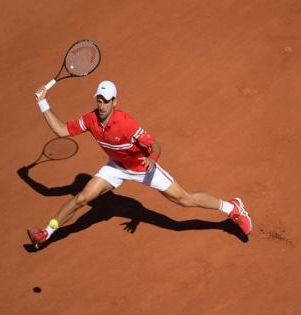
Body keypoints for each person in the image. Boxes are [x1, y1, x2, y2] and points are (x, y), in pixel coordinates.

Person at [27, 81, 252, 249]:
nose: (102, 104)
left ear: (115, 102)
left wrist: (152, 161)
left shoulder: (125, 123)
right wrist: (42, 102)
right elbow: (61, 131)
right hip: (116, 167)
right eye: (99, 99)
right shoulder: (90, 120)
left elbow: (156, 145)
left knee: (184, 199)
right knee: (82, 198)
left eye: (106, 100)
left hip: (143, 168)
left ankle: (232, 209)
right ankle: (47, 232)